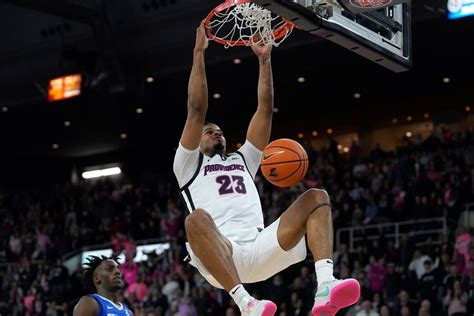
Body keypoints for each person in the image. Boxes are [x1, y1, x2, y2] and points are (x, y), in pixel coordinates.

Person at [173, 21, 360, 316]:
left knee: (317, 196)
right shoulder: (187, 165)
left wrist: (264, 59)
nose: (215, 133)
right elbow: (196, 110)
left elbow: (264, 108)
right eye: (209, 131)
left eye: (219, 130)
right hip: (222, 255)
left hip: (261, 248)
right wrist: (198, 53)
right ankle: (245, 303)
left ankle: (325, 285)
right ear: (196, 139)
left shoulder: (242, 160)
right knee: (194, 219)